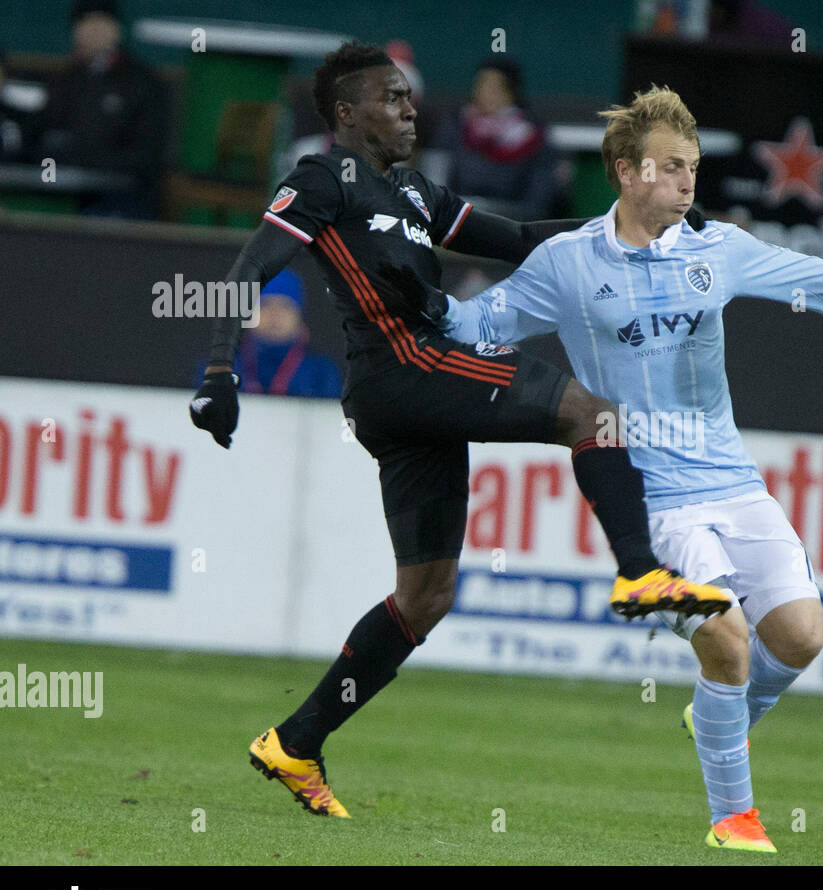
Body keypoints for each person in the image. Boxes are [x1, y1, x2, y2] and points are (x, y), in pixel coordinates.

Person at [187, 44, 731, 819]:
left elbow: (513, 238)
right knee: (592, 414)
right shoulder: (321, 178)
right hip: (404, 369)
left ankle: (297, 741)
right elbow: (247, 268)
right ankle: (642, 570)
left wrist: (633, 219)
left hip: (408, 396)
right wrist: (219, 372)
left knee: (427, 594)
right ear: (346, 114)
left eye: (410, 96)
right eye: (391, 97)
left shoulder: (412, 189)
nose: (411, 108)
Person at [442, 85, 823, 852]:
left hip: (733, 481)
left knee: (803, 638)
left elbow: (817, 281)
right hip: (650, 499)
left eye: (694, 168)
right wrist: (396, 297)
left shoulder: (719, 250)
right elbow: (476, 326)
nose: (688, 183)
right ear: (625, 170)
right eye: (672, 167)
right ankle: (733, 820)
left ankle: (720, 715)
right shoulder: (568, 264)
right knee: (726, 636)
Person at [34, 0, 166, 218]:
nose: (93, 29)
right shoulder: (64, 82)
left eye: (101, 20)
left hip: (122, 200)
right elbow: (41, 141)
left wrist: (88, 160)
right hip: (65, 197)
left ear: (117, 28)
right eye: (85, 21)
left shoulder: (144, 84)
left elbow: (145, 158)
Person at [426, 57, 558, 222]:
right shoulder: (456, 125)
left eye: (495, 87)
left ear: (512, 92)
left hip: (510, 223)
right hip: (455, 219)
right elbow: (435, 185)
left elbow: (537, 203)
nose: (485, 93)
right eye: (481, 85)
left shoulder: (534, 136)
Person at [191, 270, 341, 398]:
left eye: (285, 306)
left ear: (299, 316)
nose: (275, 315)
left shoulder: (322, 372)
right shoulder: (220, 368)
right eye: (265, 305)